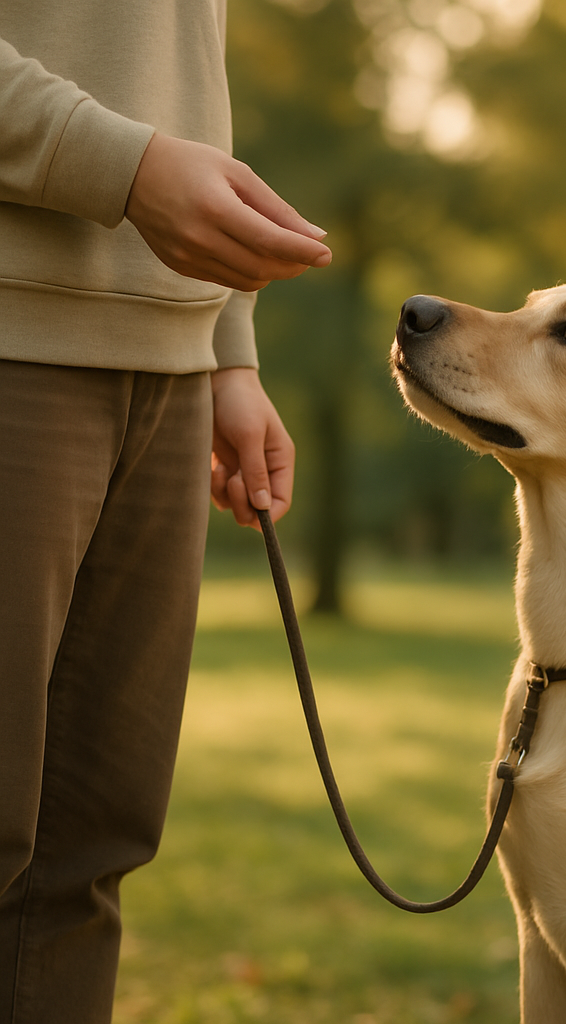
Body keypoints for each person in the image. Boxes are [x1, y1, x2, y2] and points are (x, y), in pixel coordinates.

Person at [0, 2, 331, 1021]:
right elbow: (145, 147)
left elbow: (177, 69)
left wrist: (225, 344)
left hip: (169, 371)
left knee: (87, 855)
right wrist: (125, 168)